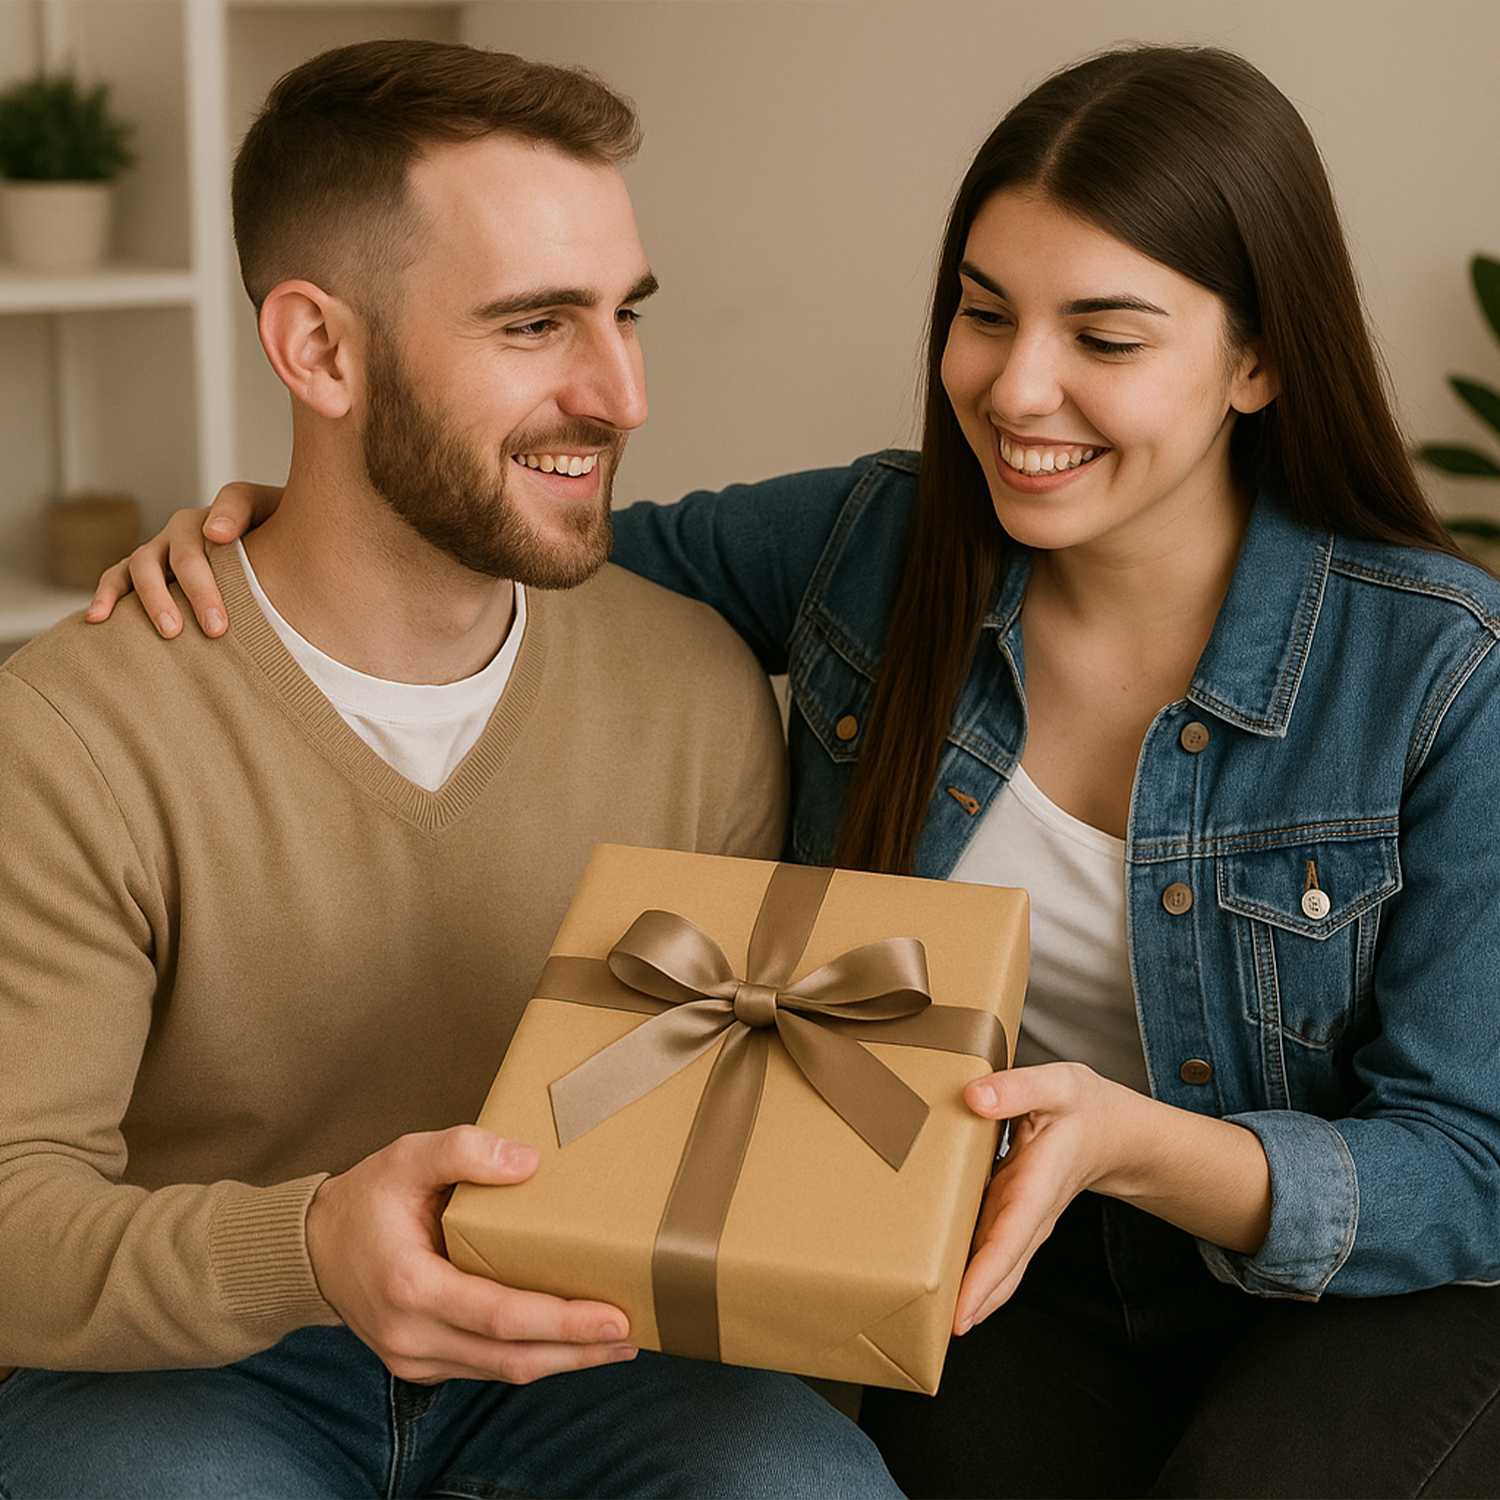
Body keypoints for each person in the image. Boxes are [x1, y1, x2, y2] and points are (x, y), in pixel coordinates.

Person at [93, 43, 1500, 1500]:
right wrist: (292, 519)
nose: (1020, 387)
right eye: (982, 311)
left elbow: (1474, 1162)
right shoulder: (876, 551)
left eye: (1107, 337)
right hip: (998, 1268)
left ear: (1257, 358)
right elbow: (510, 537)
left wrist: (1131, 1144)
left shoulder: (1441, 669)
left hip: (1366, 1295)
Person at [0, 38, 906, 1500]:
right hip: (194, 1371)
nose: (622, 393)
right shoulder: (68, 733)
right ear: (320, 351)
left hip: (594, 1368)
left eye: (625, 315)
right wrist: (305, 1247)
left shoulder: (696, 689)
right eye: (537, 324)